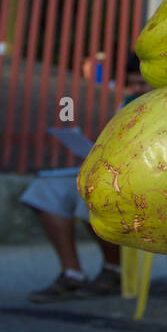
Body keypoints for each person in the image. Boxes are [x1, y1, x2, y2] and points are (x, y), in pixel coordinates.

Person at [21, 54, 148, 302]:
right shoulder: (127, 103)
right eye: (134, 84)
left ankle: (114, 269)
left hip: (142, 179)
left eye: (143, 84)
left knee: (91, 195)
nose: (139, 90)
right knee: (44, 190)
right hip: (113, 170)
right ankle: (72, 272)